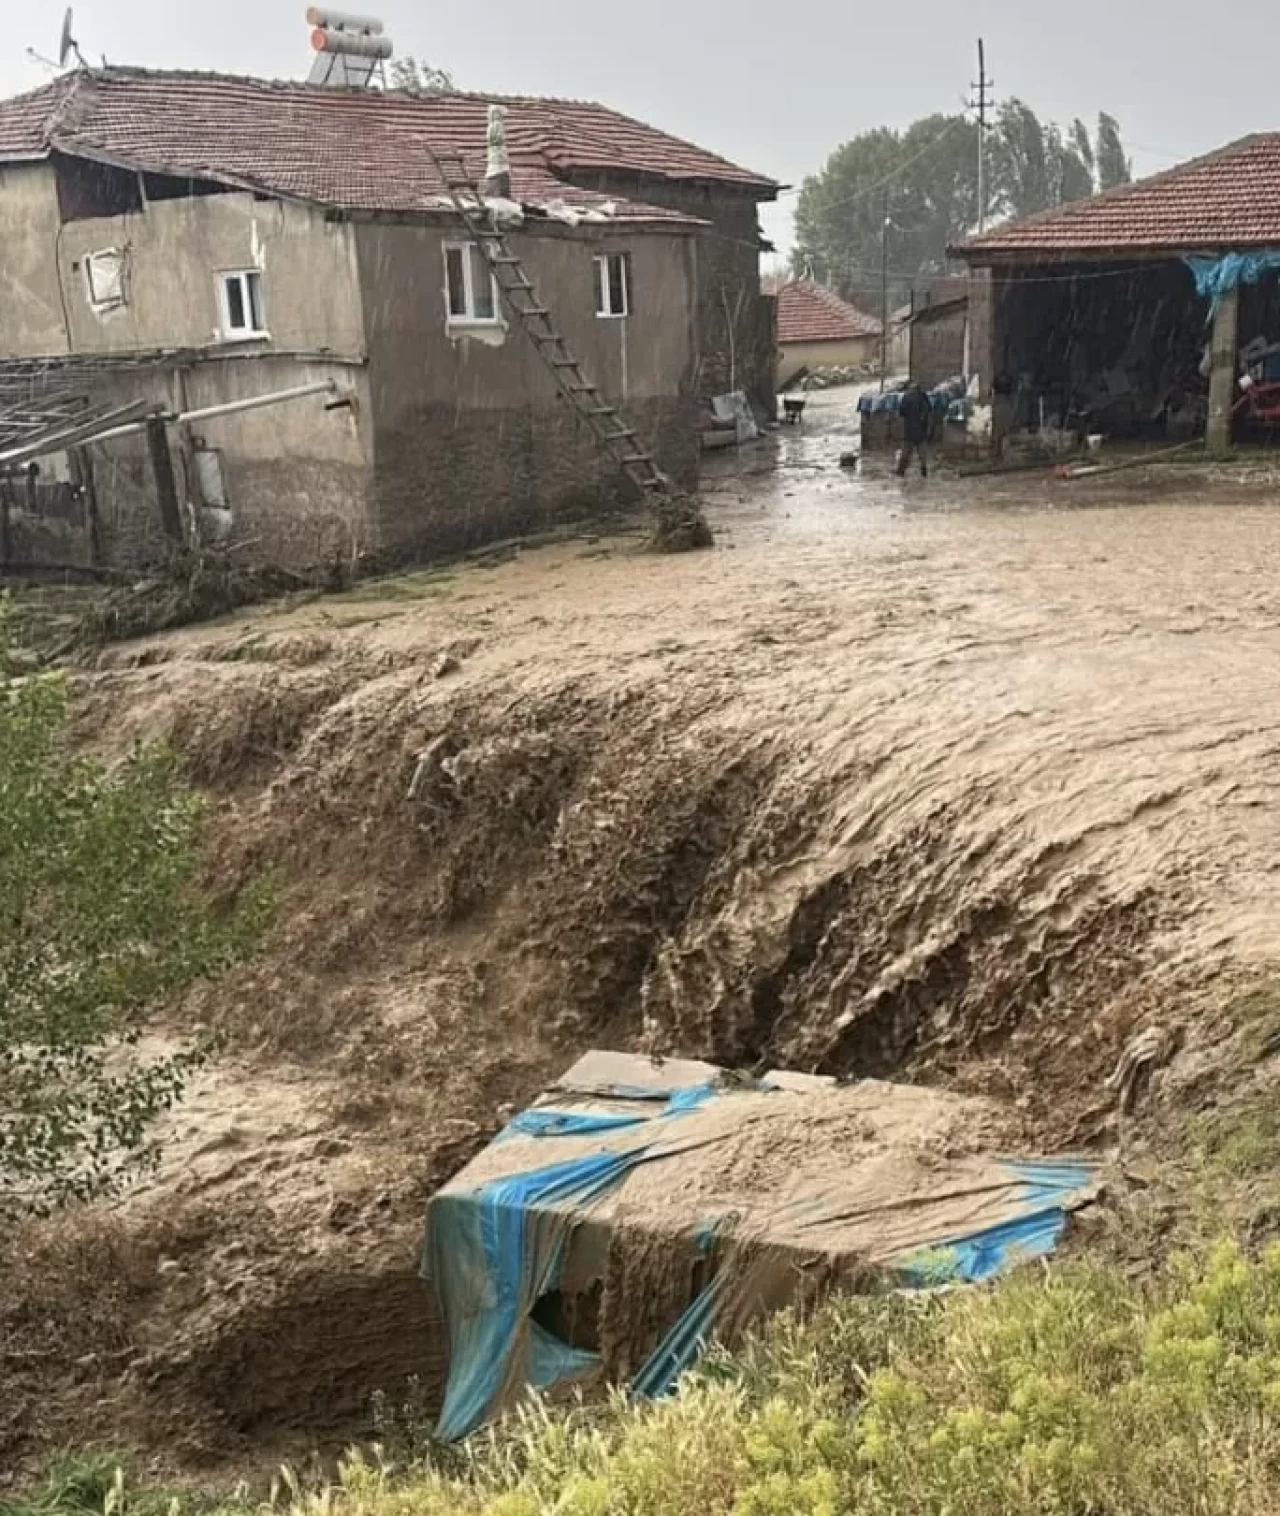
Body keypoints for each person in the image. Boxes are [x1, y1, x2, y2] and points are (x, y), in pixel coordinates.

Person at [896, 383, 933, 477]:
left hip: (909, 429)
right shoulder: (923, 397)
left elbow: (901, 412)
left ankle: (901, 471)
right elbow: (928, 410)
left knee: (906, 450)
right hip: (921, 428)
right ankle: (924, 471)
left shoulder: (906, 397)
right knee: (922, 451)